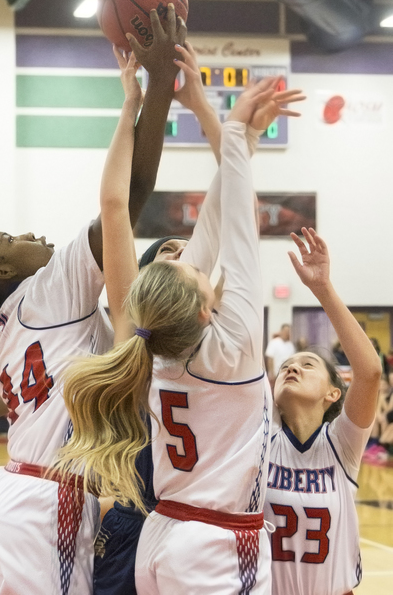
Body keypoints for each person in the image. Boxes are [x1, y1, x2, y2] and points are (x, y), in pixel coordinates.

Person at [0, 6, 186, 595]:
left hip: (9, 491)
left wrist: (43, 396)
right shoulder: (51, 288)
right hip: (50, 498)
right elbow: (130, 197)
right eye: (13, 239)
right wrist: (157, 88)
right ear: (4, 270)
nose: (29, 234)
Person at [57, 52, 305, 592]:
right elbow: (238, 229)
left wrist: (241, 138)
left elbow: (220, 226)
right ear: (200, 307)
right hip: (215, 543)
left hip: (164, 533)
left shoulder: (160, 347)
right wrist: (233, 131)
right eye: (193, 269)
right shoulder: (225, 344)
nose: (201, 265)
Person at [265, 228, 382, 595]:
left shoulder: (341, 445)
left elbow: (370, 373)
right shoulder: (261, 439)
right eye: (287, 366)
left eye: (307, 365)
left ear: (334, 393)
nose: (292, 368)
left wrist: (323, 289)